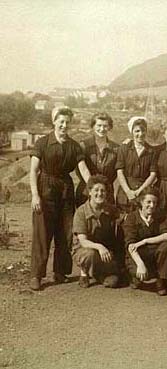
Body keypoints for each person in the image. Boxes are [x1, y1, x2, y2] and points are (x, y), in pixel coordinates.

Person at [29, 106, 91, 291]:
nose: (64, 125)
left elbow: (84, 169)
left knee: (65, 232)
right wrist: (35, 195)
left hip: (65, 189)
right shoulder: (42, 143)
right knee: (42, 234)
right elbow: (33, 170)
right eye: (61, 121)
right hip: (45, 187)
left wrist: (93, 187)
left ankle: (60, 272)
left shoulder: (74, 146)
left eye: (67, 122)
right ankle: (37, 275)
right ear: (54, 121)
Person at [72, 175, 120, 288]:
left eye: (103, 190)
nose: (100, 193)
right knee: (90, 254)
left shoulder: (110, 209)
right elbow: (83, 241)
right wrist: (99, 247)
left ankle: (100, 273)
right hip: (84, 249)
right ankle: (84, 274)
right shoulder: (81, 212)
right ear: (89, 192)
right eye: (96, 190)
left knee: (114, 282)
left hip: (104, 249)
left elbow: (124, 218)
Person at [123, 188, 167, 296]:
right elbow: (130, 245)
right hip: (136, 254)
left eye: (154, 202)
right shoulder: (131, 217)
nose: (152, 205)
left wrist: (145, 241)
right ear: (141, 202)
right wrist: (140, 264)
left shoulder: (158, 216)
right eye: (148, 202)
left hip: (153, 253)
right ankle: (135, 278)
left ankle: (160, 280)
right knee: (139, 272)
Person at [75, 112, 119, 207]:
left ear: (109, 127)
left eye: (105, 126)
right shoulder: (83, 146)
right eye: (99, 125)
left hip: (106, 193)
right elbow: (79, 169)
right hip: (86, 192)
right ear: (93, 126)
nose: (102, 129)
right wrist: (92, 186)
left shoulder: (116, 149)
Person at [115, 116, 157, 214]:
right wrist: (128, 191)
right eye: (137, 131)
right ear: (132, 132)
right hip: (125, 193)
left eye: (143, 130)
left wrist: (140, 191)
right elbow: (120, 172)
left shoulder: (152, 151)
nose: (140, 134)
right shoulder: (124, 148)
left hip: (143, 192)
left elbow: (153, 174)